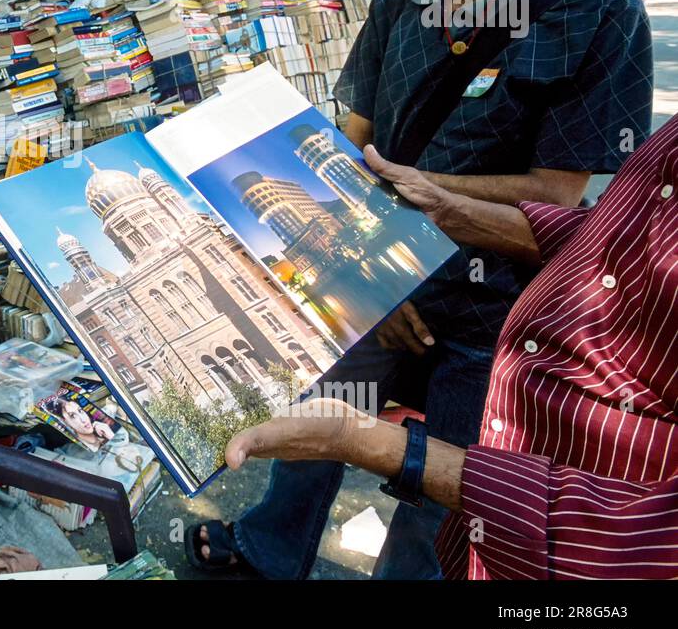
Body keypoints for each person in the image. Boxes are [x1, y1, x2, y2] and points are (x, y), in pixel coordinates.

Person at [188, 0, 654, 578]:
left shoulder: (595, 17)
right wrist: (374, 278)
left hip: (495, 320)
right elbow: (344, 149)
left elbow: (556, 196)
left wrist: (422, 199)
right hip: (375, 288)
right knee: (321, 423)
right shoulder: (401, 7)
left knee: (441, 499)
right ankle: (267, 552)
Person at [225, 118, 678, 579]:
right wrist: (446, 210)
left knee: (434, 518)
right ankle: (268, 550)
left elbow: (640, 543)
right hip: (419, 312)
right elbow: (613, 238)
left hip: (497, 328)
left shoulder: (597, 43)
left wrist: (365, 443)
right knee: (313, 441)